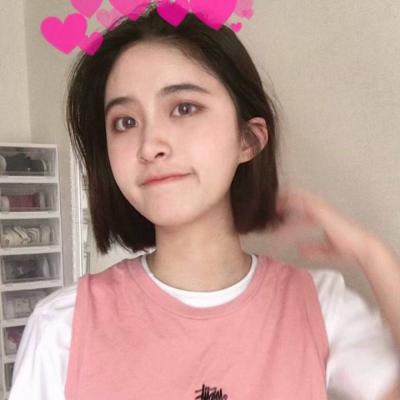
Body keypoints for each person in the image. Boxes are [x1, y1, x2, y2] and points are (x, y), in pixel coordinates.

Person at [9, 2, 400, 399]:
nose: (149, 145)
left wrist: (374, 255)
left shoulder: (318, 306)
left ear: (248, 139)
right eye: (125, 122)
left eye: (184, 108)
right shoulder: (63, 327)